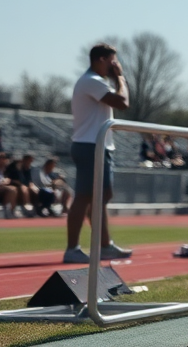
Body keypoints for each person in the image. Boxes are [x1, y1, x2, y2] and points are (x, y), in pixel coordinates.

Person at [65, 44, 133, 263]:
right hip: (89, 145)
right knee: (84, 197)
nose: (115, 66)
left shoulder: (98, 82)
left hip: (99, 145)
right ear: (101, 59)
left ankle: (104, 245)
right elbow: (123, 102)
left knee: (102, 196)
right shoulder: (91, 81)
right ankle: (72, 248)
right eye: (112, 62)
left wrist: (115, 79)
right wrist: (120, 78)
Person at [0, 152, 20, 217]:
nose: (4, 160)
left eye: (4, 158)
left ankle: (9, 211)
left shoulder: (4, 169)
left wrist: (7, 181)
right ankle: (8, 212)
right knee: (12, 189)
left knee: (13, 189)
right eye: (2, 158)